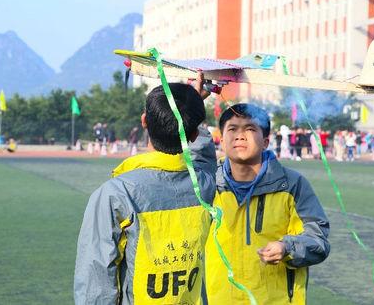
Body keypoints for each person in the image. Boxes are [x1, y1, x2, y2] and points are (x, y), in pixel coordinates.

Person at [74, 77, 217, 305]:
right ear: (193, 135)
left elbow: (96, 278)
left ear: (144, 121)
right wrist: (191, 110)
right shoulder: (206, 185)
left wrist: (191, 107)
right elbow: (205, 160)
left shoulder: (116, 193)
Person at [204, 103, 330, 305]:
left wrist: (287, 247)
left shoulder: (291, 185)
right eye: (232, 129)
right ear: (222, 138)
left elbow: (319, 240)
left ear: (265, 141)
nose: (240, 135)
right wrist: (194, 102)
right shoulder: (208, 184)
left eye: (250, 129)